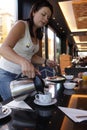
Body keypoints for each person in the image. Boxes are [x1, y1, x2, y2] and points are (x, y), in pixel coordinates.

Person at [0, 0, 56, 101]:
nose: (45, 19)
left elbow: (30, 55)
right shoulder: (21, 25)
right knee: (14, 107)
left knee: (26, 106)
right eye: (43, 14)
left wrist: (46, 61)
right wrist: (23, 62)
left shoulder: (39, 34)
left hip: (22, 76)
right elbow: (3, 49)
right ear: (34, 12)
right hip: (6, 74)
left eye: (48, 18)